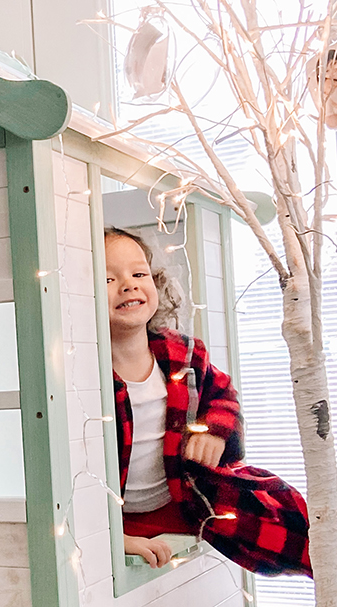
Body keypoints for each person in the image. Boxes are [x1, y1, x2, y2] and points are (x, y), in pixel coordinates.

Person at [106, 227, 311, 575]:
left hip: (183, 493)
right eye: (108, 279)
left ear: (155, 281)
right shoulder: (89, 375)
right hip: (121, 516)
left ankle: (318, 562)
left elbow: (223, 395)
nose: (129, 284)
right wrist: (114, 537)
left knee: (277, 506)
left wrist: (215, 431)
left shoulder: (181, 354)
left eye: (139, 273)